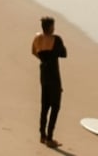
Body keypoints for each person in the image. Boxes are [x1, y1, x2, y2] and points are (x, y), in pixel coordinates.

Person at [31, 17, 68, 147]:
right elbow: (64, 54)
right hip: (54, 75)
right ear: (50, 27)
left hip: (44, 74)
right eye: (53, 26)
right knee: (55, 106)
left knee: (45, 105)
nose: (54, 28)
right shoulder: (56, 39)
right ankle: (50, 138)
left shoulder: (37, 38)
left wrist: (44, 61)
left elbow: (33, 52)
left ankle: (42, 135)